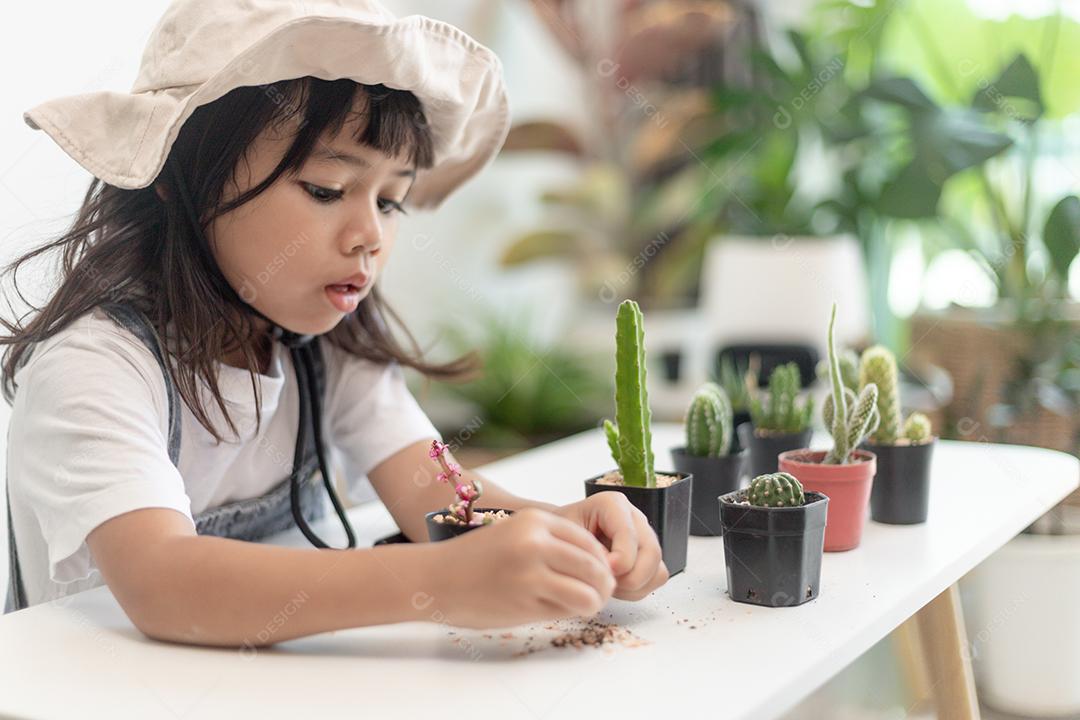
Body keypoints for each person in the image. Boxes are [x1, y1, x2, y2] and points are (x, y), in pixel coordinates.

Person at [1, 0, 668, 646]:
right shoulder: (95, 366)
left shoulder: (333, 350)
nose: (370, 235)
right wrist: (436, 580)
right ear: (180, 177)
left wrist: (565, 532)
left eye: (392, 200)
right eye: (325, 189)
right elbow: (164, 583)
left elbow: (446, 501)